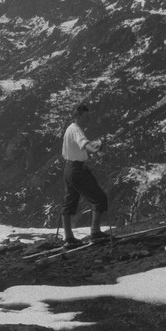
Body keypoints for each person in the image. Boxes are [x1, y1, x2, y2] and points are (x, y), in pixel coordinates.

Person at [61, 104, 111, 247]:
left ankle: (68, 237)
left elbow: (78, 147)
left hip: (69, 169)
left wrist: (94, 147)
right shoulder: (76, 130)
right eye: (86, 117)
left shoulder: (70, 129)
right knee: (99, 198)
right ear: (78, 116)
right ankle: (95, 232)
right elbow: (84, 143)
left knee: (69, 202)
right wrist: (97, 152)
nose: (88, 119)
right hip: (77, 171)